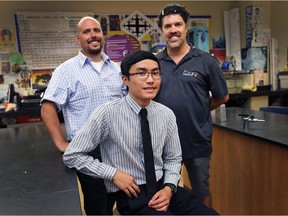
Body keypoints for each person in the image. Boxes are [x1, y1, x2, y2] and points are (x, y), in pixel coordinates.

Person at [63, 50, 217, 215]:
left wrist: (169, 187)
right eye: (142, 73)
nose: (150, 80)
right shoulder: (107, 114)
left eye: (155, 73)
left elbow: (173, 158)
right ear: (125, 79)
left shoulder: (166, 114)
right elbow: (72, 155)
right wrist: (113, 174)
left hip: (164, 188)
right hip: (132, 194)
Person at [41, 16, 127, 215]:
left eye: (96, 30)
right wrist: (61, 144)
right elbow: (48, 108)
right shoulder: (66, 71)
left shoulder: (117, 69)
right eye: (87, 31)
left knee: (119, 199)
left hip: (118, 147)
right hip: (88, 151)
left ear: (102, 35)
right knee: (97, 205)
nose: (93, 35)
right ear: (77, 38)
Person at [155, 4, 229, 208]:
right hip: (163, 142)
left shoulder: (206, 62)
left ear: (186, 27)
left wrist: (199, 109)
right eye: (167, 26)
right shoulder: (154, 63)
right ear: (162, 31)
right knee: (163, 191)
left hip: (196, 140)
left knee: (201, 190)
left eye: (178, 24)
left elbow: (222, 97)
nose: (173, 30)